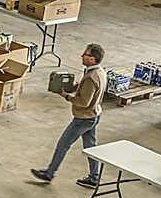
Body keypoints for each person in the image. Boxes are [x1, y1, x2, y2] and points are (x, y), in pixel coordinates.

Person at [31, 43, 107, 188]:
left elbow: (84, 102)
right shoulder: (99, 72)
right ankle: (94, 177)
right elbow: (84, 89)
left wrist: (67, 96)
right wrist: (72, 86)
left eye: (85, 54)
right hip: (94, 115)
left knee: (63, 145)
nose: (82, 56)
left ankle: (49, 173)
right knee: (91, 147)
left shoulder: (91, 77)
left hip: (83, 118)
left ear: (93, 59)